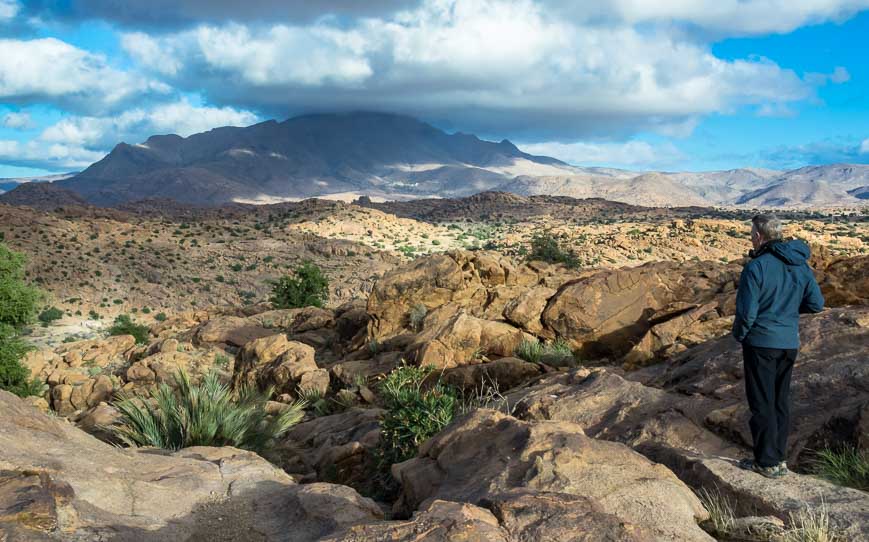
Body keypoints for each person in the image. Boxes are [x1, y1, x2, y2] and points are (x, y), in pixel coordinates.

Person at [732, 214, 825, 478]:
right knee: (780, 401)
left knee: (762, 403)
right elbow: (817, 304)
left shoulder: (756, 267)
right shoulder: (800, 265)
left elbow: (747, 313)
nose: (751, 237)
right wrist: (789, 311)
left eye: (752, 233)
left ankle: (765, 462)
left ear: (759, 236)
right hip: (788, 343)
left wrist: (740, 335)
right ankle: (779, 458)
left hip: (761, 343)